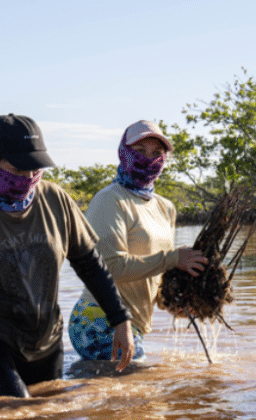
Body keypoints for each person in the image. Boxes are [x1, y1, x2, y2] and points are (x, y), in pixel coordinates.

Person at [0, 113, 135, 411]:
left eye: (35, 167)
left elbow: (90, 265)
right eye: (16, 167)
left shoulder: (56, 201)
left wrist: (120, 320)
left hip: (43, 342)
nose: (27, 177)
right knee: (19, 410)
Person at [67, 120, 207, 361]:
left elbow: (154, 276)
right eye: (140, 152)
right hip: (98, 319)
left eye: (157, 153)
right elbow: (108, 268)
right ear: (123, 153)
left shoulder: (166, 207)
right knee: (142, 390)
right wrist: (173, 258)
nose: (148, 159)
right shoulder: (109, 200)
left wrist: (179, 304)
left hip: (134, 324)